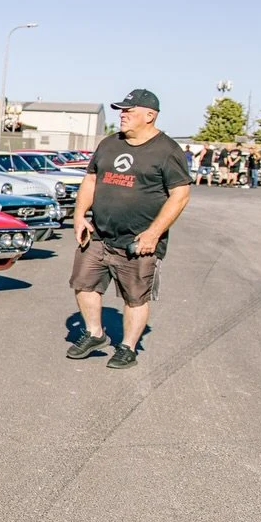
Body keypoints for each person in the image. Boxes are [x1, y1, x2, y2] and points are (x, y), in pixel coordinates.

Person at [66, 88, 192, 369]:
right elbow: (91, 180)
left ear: (149, 115)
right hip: (99, 234)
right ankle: (95, 333)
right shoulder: (109, 144)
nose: (122, 115)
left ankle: (127, 347)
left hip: (139, 240)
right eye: (121, 110)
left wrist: (153, 233)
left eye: (128, 111)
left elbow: (180, 195)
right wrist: (79, 215)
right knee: (83, 284)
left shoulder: (167, 150)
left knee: (135, 297)